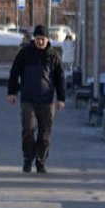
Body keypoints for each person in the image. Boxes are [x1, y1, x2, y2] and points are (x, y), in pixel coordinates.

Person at [7, 25, 66, 174]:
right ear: (34, 39)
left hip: (47, 101)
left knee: (44, 134)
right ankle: (28, 157)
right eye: (38, 39)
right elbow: (14, 72)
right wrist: (12, 92)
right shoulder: (25, 54)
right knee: (28, 128)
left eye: (43, 39)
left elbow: (60, 78)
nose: (41, 42)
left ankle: (41, 161)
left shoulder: (53, 56)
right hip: (28, 99)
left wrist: (61, 98)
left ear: (47, 40)